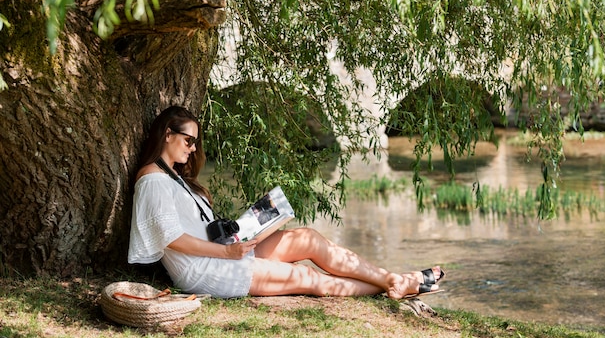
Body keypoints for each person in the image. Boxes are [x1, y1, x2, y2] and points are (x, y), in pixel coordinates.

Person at [128, 106, 445, 299]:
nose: (194, 149)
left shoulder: (174, 177)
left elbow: (196, 227)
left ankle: (395, 281)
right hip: (206, 270)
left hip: (221, 252)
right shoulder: (153, 179)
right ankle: (401, 283)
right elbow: (172, 238)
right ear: (167, 134)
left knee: (307, 238)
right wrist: (227, 251)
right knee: (307, 279)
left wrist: (249, 229)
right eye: (189, 140)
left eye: (196, 142)